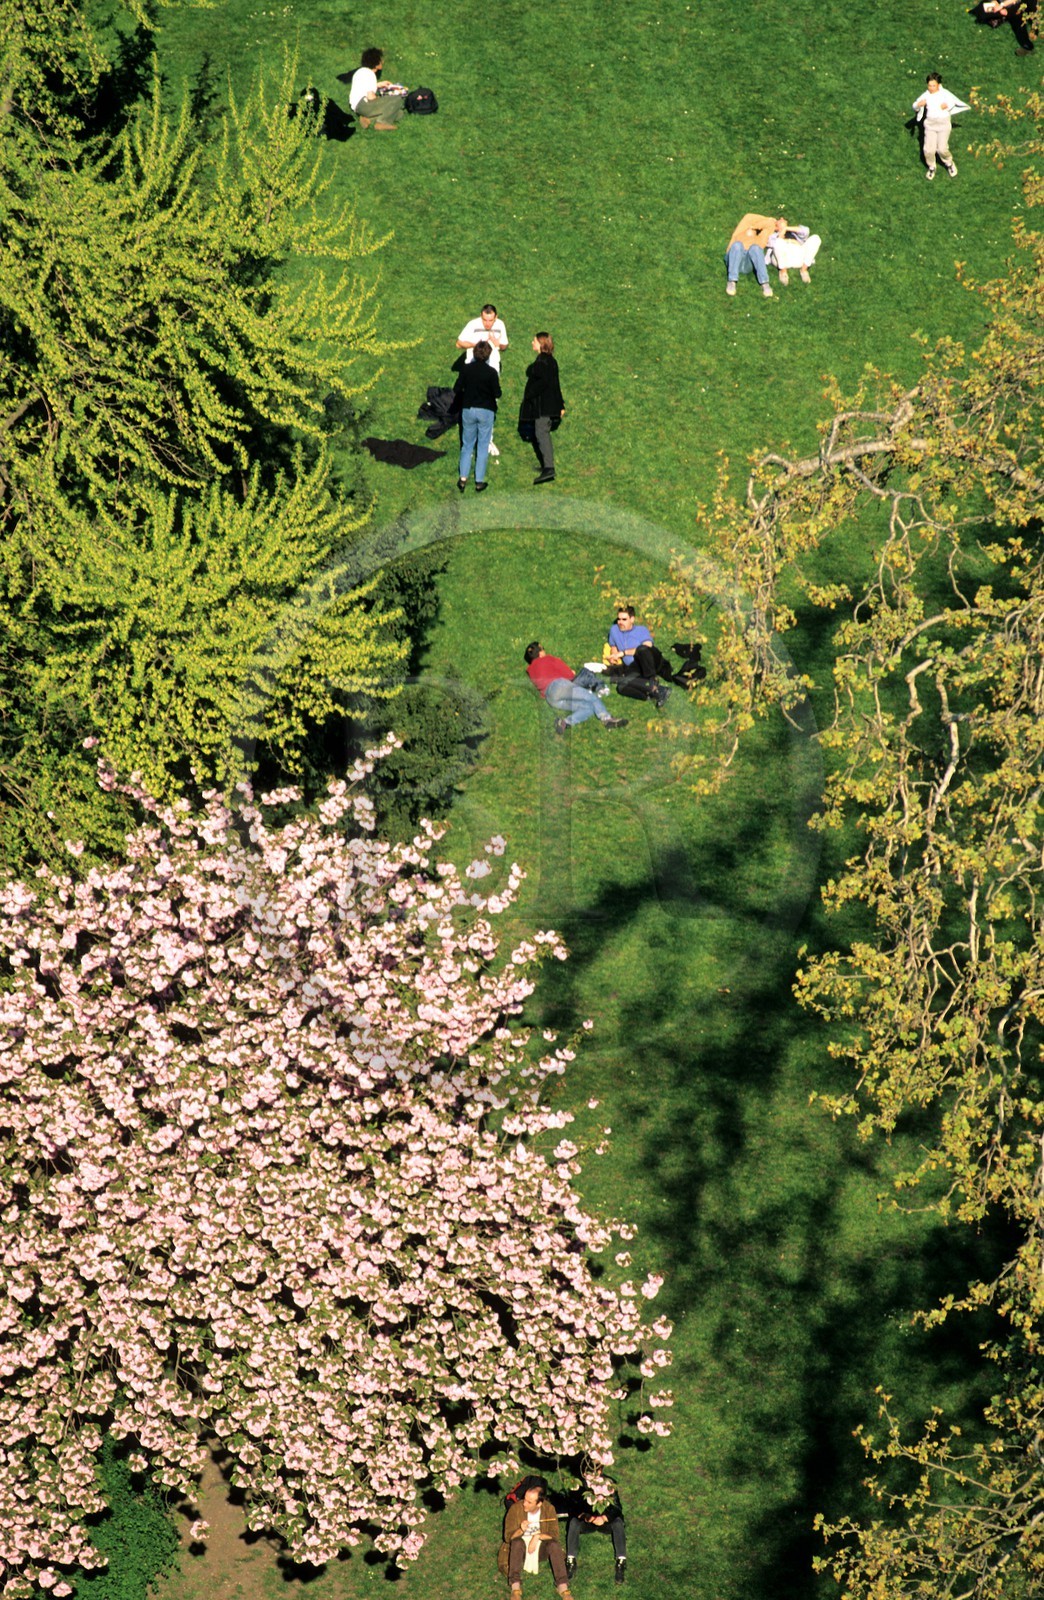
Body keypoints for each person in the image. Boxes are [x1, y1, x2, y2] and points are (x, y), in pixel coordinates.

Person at [524, 643, 627, 734]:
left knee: (588, 708)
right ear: (540, 653)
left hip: (550, 698)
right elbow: (566, 672)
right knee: (591, 697)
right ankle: (607, 719)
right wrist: (571, 674)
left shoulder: (531, 670)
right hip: (559, 686)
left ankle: (565, 722)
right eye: (543, 649)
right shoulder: (547, 658)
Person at [500, 1481, 575, 1600]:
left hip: (540, 1548)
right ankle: (515, 1588)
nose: (524, 1503)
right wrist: (520, 1530)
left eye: (529, 1502)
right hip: (520, 1550)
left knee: (554, 1545)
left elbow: (554, 1535)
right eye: (525, 1499)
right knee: (517, 1542)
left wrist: (537, 1537)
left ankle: (563, 1587)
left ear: (539, 1504)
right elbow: (508, 1537)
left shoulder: (549, 1509)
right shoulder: (515, 1509)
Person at [457, 305, 508, 457]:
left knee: (491, 404)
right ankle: (469, 443)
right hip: (473, 369)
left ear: (496, 317)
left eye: (490, 320)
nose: (487, 324)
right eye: (484, 320)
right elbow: (459, 343)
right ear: (481, 316)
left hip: (492, 369)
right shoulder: (473, 325)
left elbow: (504, 345)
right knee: (470, 404)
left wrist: (498, 344)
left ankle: (487, 440)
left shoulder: (500, 325)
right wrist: (477, 345)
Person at [519, 333, 565, 485]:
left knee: (541, 434)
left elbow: (543, 382)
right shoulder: (551, 361)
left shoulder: (541, 362)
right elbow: (555, 384)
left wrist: (530, 393)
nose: (532, 343)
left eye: (534, 341)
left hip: (543, 407)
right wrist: (561, 404)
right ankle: (546, 465)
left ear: (541, 343)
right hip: (550, 405)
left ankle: (549, 468)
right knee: (542, 434)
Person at [606, 606, 675, 707]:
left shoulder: (641, 630)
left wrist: (623, 653)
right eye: (619, 619)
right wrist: (614, 656)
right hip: (634, 666)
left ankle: (652, 680)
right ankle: (654, 692)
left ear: (632, 619)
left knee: (642, 649)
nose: (620, 622)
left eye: (624, 619)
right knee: (621, 686)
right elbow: (613, 645)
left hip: (650, 661)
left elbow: (648, 647)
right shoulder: (614, 630)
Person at [455, 341, 500, 493]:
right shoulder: (491, 373)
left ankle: (463, 478)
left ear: (474, 353)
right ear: (488, 355)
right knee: (482, 444)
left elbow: (457, 388)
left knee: (467, 445)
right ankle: (479, 481)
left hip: (468, 409)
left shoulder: (466, 369)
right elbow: (497, 393)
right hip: (486, 410)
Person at [564, 1486, 627, 1586]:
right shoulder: (581, 1486)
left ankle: (621, 1561)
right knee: (574, 1522)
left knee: (618, 1522)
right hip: (588, 1522)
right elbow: (573, 1507)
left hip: (605, 1523)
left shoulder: (608, 1484)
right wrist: (586, 1516)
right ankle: (571, 1560)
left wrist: (604, 1518)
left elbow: (617, 1508)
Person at [912, 74, 962, 179]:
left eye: (933, 86)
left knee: (942, 149)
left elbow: (953, 102)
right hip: (930, 125)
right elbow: (915, 105)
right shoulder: (926, 95)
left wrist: (947, 105)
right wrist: (918, 105)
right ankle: (932, 167)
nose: (931, 88)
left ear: (938, 85)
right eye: (929, 85)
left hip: (943, 125)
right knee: (928, 150)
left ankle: (949, 163)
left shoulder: (944, 94)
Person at [724, 214, 782, 298]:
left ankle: (765, 283)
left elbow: (769, 225)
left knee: (756, 248)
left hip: (748, 263)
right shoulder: (740, 231)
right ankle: (732, 281)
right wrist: (770, 219)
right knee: (737, 245)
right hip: (734, 258)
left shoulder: (760, 239)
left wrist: (774, 222)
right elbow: (748, 217)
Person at [348, 47, 405, 130]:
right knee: (398, 98)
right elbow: (370, 97)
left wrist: (378, 85)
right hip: (364, 105)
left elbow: (363, 87)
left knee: (399, 113)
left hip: (357, 107)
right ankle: (382, 123)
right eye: (381, 60)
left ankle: (368, 119)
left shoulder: (360, 72)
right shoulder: (370, 74)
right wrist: (381, 99)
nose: (383, 61)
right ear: (376, 63)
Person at [766, 219, 822, 286]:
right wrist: (786, 239)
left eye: (784, 219)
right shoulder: (773, 235)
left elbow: (806, 231)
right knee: (778, 242)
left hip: (798, 257)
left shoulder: (795, 233)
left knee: (816, 238)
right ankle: (783, 272)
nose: (782, 219)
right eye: (779, 220)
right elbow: (771, 244)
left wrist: (786, 228)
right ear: (776, 226)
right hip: (783, 260)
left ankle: (804, 270)